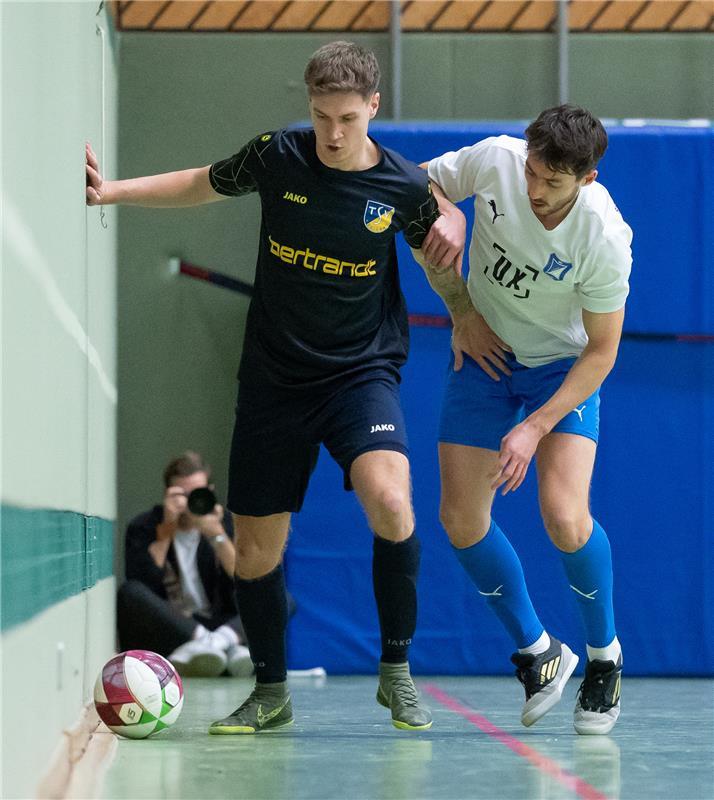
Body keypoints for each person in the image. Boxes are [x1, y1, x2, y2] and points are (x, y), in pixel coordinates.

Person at [87, 41, 465, 734]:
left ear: (373, 107)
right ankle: (270, 691)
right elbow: (203, 181)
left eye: (348, 117)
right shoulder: (279, 155)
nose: (333, 132)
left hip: (360, 373)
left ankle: (396, 674)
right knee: (257, 552)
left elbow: (435, 244)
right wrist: (115, 190)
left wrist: (464, 310)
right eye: (322, 116)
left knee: (392, 500)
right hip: (274, 381)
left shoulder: (403, 188)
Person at [419, 105, 632, 735]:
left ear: (586, 179)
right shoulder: (497, 159)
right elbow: (418, 188)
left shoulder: (604, 238)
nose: (534, 190)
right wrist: (451, 229)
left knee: (564, 517)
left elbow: (602, 352)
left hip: (560, 367)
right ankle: (539, 652)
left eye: (553, 183)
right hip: (482, 348)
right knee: (460, 521)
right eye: (533, 172)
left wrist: (536, 425)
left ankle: (603, 657)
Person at [117, 451, 254, 678]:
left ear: (210, 491)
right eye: (182, 494)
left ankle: (215, 643)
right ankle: (220, 647)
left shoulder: (227, 523)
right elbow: (142, 588)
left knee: (280, 594)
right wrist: (166, 532)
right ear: (167, 494)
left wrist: (216, 534)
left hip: (221, 622)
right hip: (175, 626)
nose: (190, 501)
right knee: (129, 591)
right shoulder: (145, 526)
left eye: (197, 493)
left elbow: (244, 580)